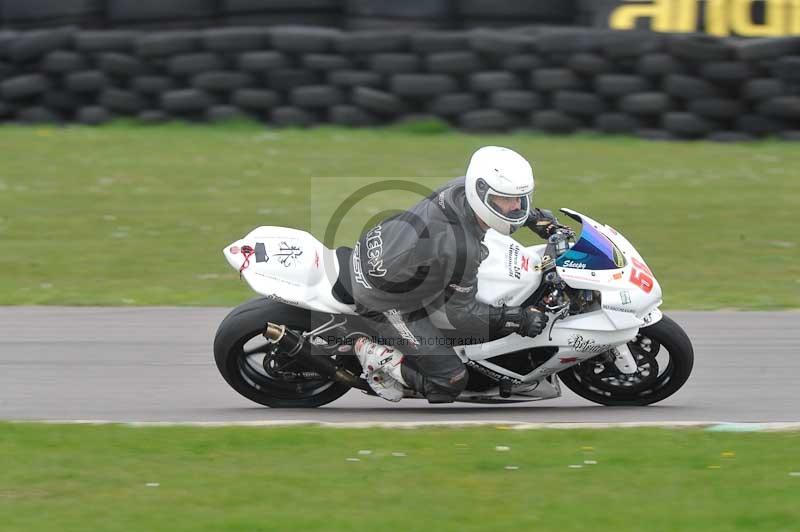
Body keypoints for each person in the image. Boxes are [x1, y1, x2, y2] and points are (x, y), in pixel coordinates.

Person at [350, 146, 563, 402]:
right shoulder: (460, 247)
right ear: (482, 193)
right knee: (450, 380)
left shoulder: (461, 189)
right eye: (508, 200)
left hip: (383, 244)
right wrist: (519, 318)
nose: (517, 206)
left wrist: (535, 219)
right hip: (382, 298)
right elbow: (461, 315)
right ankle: (379, 358)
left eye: (521, 199)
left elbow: (504, 210)